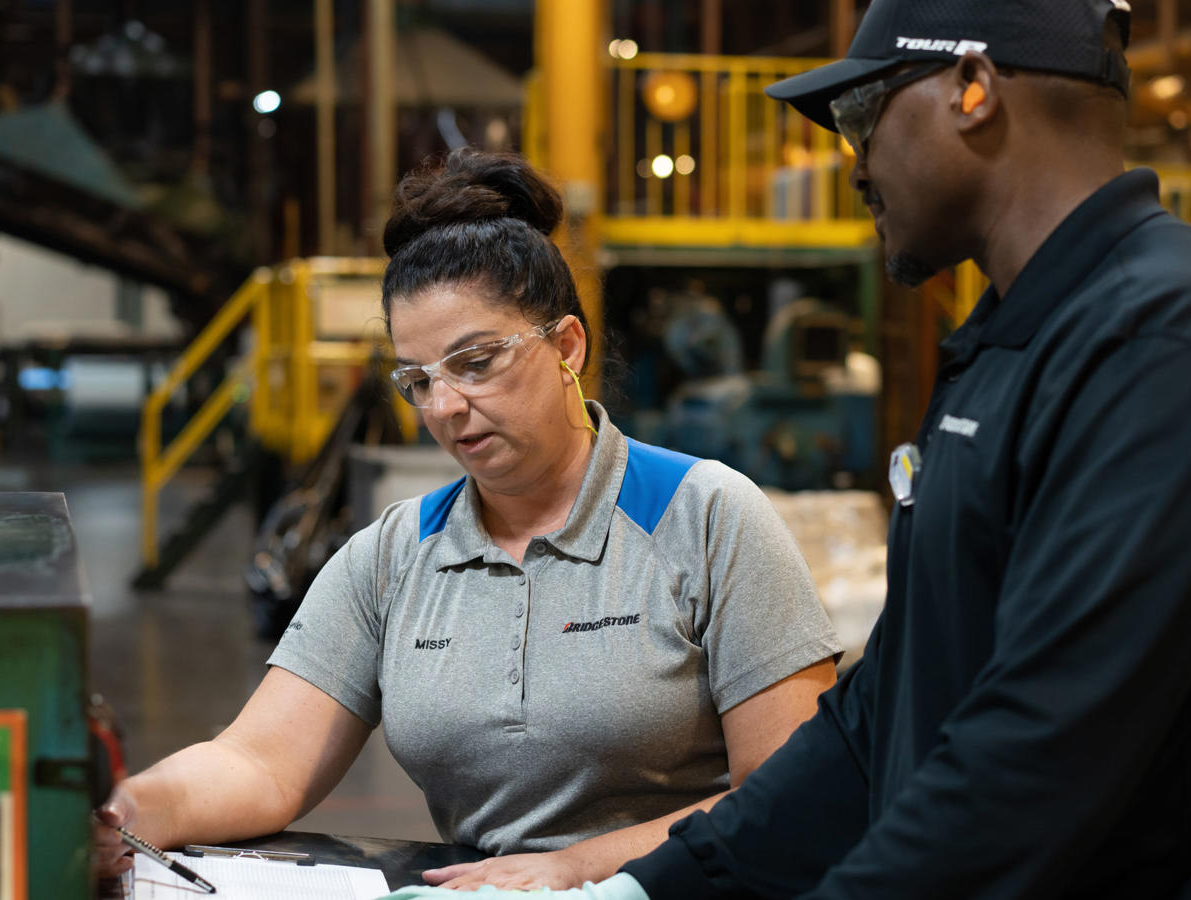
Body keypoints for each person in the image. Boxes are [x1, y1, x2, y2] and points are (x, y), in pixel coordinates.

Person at [394, 1, 1191, 898]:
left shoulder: (1165, 349)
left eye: (861, 111)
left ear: (973, 88)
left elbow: (1039, 759)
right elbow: (875, 720)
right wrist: (643, 884)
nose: (851, 163)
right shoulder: (1010, 348)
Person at [93, 147, 841, 891]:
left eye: (476, 361)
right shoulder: (394, 555)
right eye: (418, 380)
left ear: (566, 347)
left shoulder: (706, 518)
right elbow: (258, 762)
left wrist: (577, 871)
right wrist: (127, 809)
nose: (445, 407)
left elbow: (788, 795)